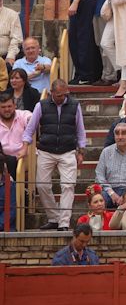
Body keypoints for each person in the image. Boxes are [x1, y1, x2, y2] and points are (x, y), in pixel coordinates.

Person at [24, 80, 86, 231]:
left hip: (68, 150)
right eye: (59, 95)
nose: (62, 97)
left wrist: (81, 151)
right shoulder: (41, 105)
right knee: (42, 185)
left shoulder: (74, 105)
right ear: (52, 92)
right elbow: (30, 128)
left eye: (65, 94)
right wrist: (25, 146)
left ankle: (64, 223)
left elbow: (80, 129)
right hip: (46, 150)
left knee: (68, 186)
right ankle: (54, 218)